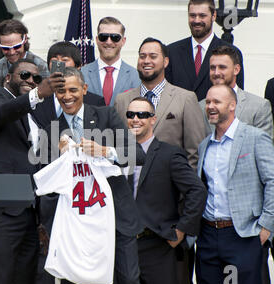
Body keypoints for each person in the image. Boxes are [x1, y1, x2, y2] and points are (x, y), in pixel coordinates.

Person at [37, 67, 146, 284]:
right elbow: (43, 181)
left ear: (85, 89)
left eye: (73, 90)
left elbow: (138, 154)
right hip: (77, 224)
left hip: (116, 216)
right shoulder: (50, 131)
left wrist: (105, 151)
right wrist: (61, 158)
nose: (67, 96)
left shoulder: (106, 115)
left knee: (127, 280)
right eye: (61, 91)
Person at [0, 58, 65, 284]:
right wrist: (38, 93)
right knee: (1, 282)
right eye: (24, 75)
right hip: (3, 212)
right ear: (8, 78)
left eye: (36, 78)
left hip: (30, 212)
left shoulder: (35, 114)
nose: (30, 81)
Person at [196, 84, 274, 284]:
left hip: (244, 236)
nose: (210, 106)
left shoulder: (255, 137)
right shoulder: (205, 145)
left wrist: (266, 227)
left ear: (232, 106)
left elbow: (272, 181)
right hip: (209, 237)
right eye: (208, 102)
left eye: (216, 102)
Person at [126, 96, 207, 284]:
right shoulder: (118, 154)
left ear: (153, 119)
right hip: (124, 247)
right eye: (131, 114)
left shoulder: (170, 154)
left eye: (142, 114)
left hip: (158, 245)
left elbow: (197, 191)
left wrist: (181, 231)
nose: (136, 119)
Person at [114, 37, 207, 169]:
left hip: (170, 184)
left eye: (153, 56)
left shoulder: (186, 99)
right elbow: (117, 146)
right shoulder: (122, 100)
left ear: (165, 61)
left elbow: (195, 152)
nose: (146, 61)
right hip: (131, 184)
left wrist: (183, 186)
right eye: (142, 56)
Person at [165, 0, 244, 102]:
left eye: (202, 16)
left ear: (213, 16)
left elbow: (238, 95)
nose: (197, 20)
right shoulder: (171, 52)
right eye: (192, 16)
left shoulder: (232, 52)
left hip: (215, 116)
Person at [199, 46, 273, 139]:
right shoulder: (200, 107)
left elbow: (264, 149)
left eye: (222, 67)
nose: (216, 72)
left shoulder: (258, 106)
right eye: (212, 68)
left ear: (236, 69)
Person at [30, 41, 105, 130]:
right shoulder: (37, 101)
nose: (58, 65)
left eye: (64, 60)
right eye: (54, 61)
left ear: (78, 66)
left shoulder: (96, 102)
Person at [81, 17, 140, 106]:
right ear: (97, 40)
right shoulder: (82, 73)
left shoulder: (136, 76)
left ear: (123, 41)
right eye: (103, 37)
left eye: (115, 37)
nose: (108, 42)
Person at [0, 19, 49, 96]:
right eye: (6, 48)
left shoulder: (42, 67)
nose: (12, 52)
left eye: (17, 47)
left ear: (25, 39)